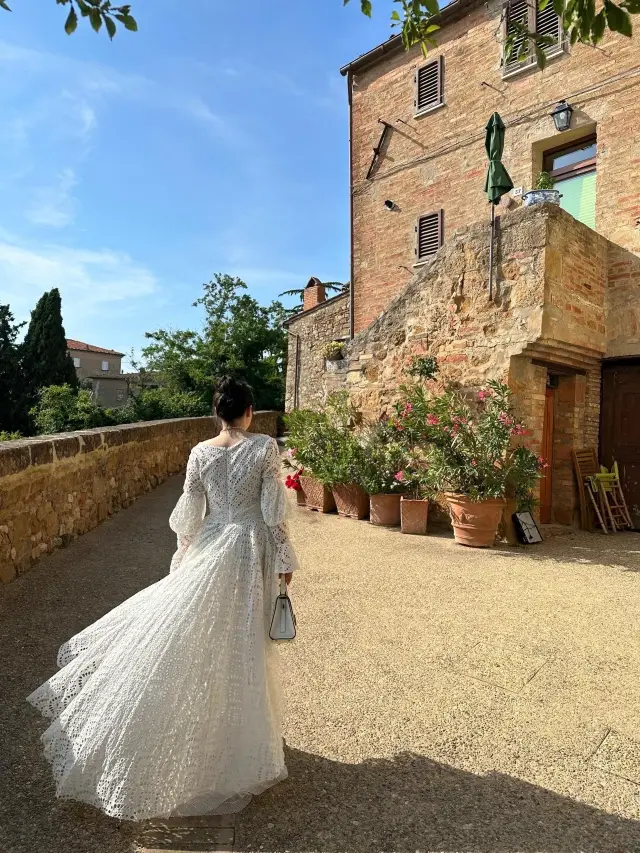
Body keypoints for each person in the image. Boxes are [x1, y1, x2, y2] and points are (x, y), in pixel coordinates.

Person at [27, 376, 298, 821]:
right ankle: (237, 744)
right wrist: (284, 558)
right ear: (248, 411)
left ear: (218, 412)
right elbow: (273, 512)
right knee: (242, 645)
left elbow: (189, 515)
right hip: (248, 551)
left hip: (210, 546)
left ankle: (204, 739)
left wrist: (182, 558)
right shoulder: (264, 447)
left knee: (198, 644)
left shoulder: (199, 453)